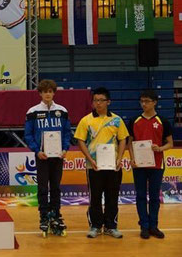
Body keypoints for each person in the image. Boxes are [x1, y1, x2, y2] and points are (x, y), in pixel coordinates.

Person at [74, 87, 128, 239]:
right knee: (95, 197)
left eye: (101, 100)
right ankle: (96, 225)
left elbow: (123, 139)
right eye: (95, 100)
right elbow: (80, 140)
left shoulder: (117, 120)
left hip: (113, 165)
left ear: (108, 102)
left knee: (112, 196)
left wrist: (120, 158)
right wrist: (90, 160)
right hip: (94, 166)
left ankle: (111, 226)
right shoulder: (86, 120)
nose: (98, 103)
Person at [24, 79, 71, 234]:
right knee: (43, 187)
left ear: (54, 93)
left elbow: (66, 133)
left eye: (50, 91)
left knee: (56, 187)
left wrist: (65, 149)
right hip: (42, 156)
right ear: (40, 93)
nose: (48, 94)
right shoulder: (32, 112)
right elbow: (28, 134)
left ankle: (56, 213)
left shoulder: (62, 111)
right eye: (45, 92)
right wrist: (37, 151)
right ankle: (44, 215)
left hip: (58, 156)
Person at [127, 89, 173, 239]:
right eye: (142, 101)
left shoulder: (163, 121)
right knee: (140, 196)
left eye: (147, 101)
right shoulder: (134, 120)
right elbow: (130, 143)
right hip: (139, 166)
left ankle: (154, 225)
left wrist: (160, 148)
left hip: (157, 165)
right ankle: (144, 226)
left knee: (154, 197)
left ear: (155, 102)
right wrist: (132, 159)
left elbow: (170, 143)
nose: (144, 104)